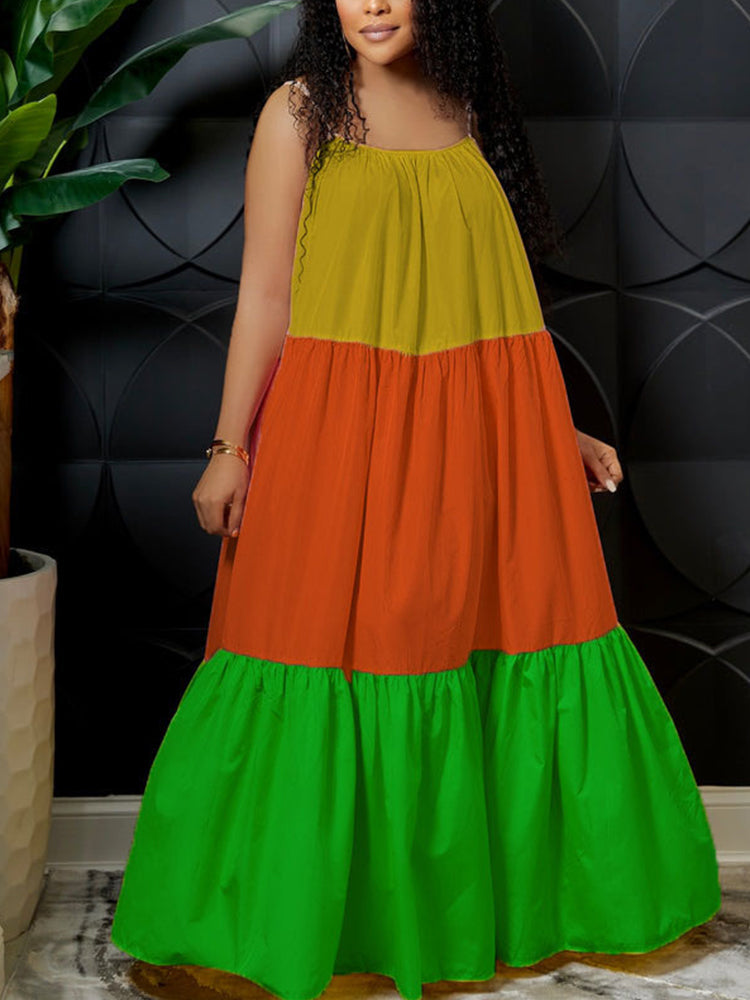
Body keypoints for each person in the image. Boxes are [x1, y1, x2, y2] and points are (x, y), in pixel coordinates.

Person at [110, 3, 722, 999]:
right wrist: (228, 448)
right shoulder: (299, 115)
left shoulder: (462, 108)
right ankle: (314, 929)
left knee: (488, 641)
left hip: (478, 441)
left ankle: (478, 918)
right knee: (322, 654)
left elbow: (492, 299)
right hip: (333, 436)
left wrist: (550, 429)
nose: (375, 3)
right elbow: (266, 295)